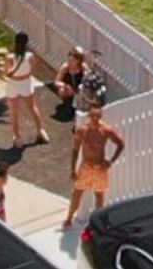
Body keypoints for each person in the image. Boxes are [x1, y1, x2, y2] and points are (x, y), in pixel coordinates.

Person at [62, 100, 123, 241]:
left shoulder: (106, 130)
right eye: (92, 116)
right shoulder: (82, 130)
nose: (95, 119)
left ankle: (97, 223)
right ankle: (69, 218)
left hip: (99, 167)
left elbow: (120, 144)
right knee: (77, 194)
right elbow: (75, 149)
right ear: (89, 116)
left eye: (97, 116)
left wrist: (111, 161)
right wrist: (73, 169)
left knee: (99, 196)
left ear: (101, 115)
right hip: (86, 166)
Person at [2, 34, 46, 146]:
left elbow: (6, 73)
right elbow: (32, 70)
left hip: (13, 84)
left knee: (13, 110)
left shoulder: (10, 57)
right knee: (32, 107)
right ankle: (40, 130)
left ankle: (17, 136)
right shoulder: (30, 56)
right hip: (25, 83)